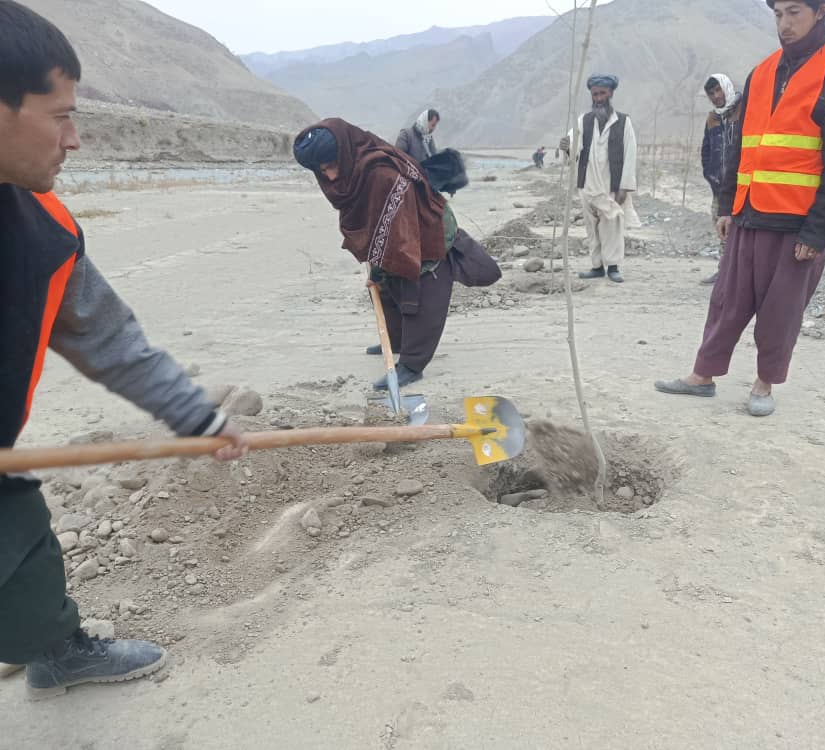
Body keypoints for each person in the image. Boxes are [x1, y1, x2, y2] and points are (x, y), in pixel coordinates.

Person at [0, 0, 248, 698]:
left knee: (23, 544)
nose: (74, 139)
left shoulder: (45, 230)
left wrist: (196, 417)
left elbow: (110, 340)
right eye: (59, 116)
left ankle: (54, 651)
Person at [655, 0, 825, 417]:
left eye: (794, 12)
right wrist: (727, 204)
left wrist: (817, 232)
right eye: (777, 14)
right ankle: (702, 376)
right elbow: (741, 146)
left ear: (821, 11)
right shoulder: (763, 72)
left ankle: (763, 384)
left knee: (780, 312)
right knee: (726, 301)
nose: (784, 24)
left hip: (795, 224)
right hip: (748, 213)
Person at [295, 120, 500, 389]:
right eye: (323, 171)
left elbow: (399, 237)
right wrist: (378, 267)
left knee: (420, 292)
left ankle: (412, 365)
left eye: (332, 166)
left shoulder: (382, 174)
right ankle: (396, 341)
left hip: (426, 233)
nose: (331, 177)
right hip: (398, 230)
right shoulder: (355, 173)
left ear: (345, 153)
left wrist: (381, 266)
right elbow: (375, 223)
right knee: (385, 289)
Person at [575, 74, 638, 284]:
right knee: (591, 229)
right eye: (595, 94)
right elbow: (574, 147)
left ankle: (613, 267)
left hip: (612, 185)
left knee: (612, 226)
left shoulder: (623, 122)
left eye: (602, 93)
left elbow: (630, 154)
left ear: (610, 93)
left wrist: (625, 187)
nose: (599, 98)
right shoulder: (583, 121)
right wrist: (566, 146)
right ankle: (596, 267)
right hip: (588, 185)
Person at [700, 74, 742, 285]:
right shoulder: (712, 119)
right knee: (722, 228)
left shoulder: (742, 111)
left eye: (718, 90)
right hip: (720, 187)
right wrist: (711, 175)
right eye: (711, 93)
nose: (716, 96)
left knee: (743, 231)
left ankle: (739, 275)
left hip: (742, 186)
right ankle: (724, 272)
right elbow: (706, 151)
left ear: (726, 87)